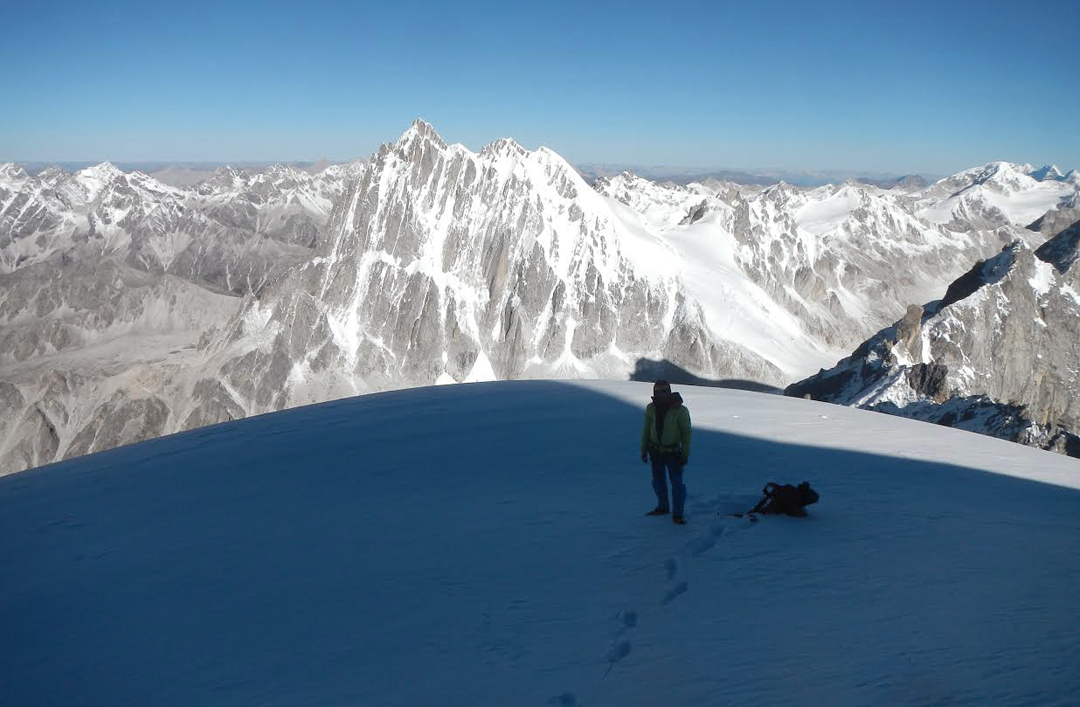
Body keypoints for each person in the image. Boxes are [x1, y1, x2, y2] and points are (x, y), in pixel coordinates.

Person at [640, 380, 692, 524]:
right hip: (655, 451)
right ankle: (663, 507)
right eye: (659, 390)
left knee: (676, 484)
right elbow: (646, 430)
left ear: (669, 391)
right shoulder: (651, 408)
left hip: (673, 452)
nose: (661, 393)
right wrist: (644, 449)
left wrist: (685, 454)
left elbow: (686, 433)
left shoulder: (680, 410)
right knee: (658, 481)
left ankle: (677, 514)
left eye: (664, 390)